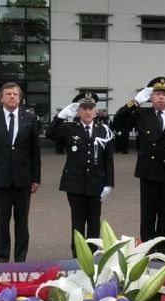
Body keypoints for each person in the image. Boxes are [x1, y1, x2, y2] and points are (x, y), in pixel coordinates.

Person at [112, 77, 165, 259]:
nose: (161, 98)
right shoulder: (141, 115)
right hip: (148, 172)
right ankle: (146, 251)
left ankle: (162, 252)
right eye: (157, 94)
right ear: (151, 97)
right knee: (148, 214)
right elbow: (117, 122)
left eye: (164, 94)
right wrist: (135, 101)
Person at [47, 92, 114, 257]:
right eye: (83, 108)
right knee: (77, 222)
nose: (88, 112)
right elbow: (50, 133)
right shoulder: (69, 128)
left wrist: (109, 183)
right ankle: (77, 255)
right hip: (75, 183)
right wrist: (61, 115)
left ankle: (92, 254)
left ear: (96, 111)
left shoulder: (103, 130)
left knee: (94, 222)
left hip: (95, 183)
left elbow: (108, 159)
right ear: (78, 111)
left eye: (91, 108)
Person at [0, 82, 41, 263]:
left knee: (22, 222)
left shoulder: (30, 119)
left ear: (20, 98)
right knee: (2, 222)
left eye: (15, 94)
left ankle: (20, 257)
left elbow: (35, 151)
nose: (12, 97)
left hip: (24, 180)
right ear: (1, 99)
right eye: (8, 94)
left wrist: (36, 178)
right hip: (1, 180)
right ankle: (2, 258)